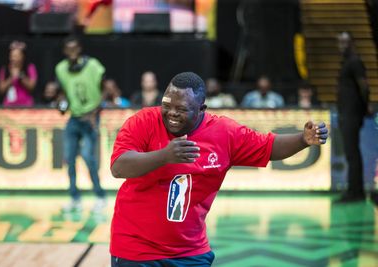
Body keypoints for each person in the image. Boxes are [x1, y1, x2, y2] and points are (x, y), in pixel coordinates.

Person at [109, 72, 328, 266]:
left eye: (181, 109)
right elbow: (119, 167)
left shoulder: (224, 133)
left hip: (189, 251)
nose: (171, 113)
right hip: (135, 249)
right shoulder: (143, 121)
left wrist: (302, 139)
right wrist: (165, 156)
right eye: (167, 106)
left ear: (201, 109)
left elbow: (269, 147)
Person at [55, 36, 107, 213]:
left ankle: (100, 196)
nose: (72, 53)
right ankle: (74, 198)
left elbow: (107, 88)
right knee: (69, 158)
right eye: (68, 49)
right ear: (64, 52)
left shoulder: (93, 65)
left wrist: (96, 111)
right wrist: (61, 102)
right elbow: (63, 92)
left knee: (87, 156)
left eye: (75, 48)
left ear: (80, 49)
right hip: (74, 118)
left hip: (90, 118)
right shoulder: (60, 69)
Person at [336, 32, 370, 203]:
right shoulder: (346, 63)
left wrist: (365, 107)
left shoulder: (355, 62)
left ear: (352, 43)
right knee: (351, 154)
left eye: (345, 42)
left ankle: (355, 192)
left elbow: (364, 86)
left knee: (352, 154)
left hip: (352, 114)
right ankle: (356, 191)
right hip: (347, 113)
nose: (342, 45)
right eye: (339, 42)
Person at [0, 41, 37, 107]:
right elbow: (1, 89)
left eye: (16, 56)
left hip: (26, 105)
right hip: (9, 105)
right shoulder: (5, 69)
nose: (13, 58)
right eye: (11, 56)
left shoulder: (29, 67)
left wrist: (20, 76)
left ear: (23, 56)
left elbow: (32, 87)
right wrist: (11, 78)